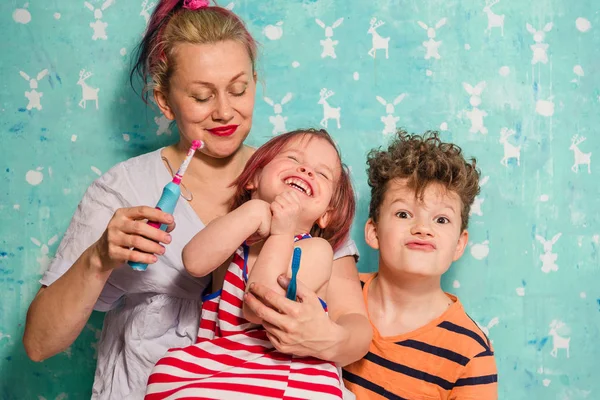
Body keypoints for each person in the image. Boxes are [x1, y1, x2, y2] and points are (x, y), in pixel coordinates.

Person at [22, 2, 371, 399]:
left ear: (255, 83)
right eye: (202, 96)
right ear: (165, 100)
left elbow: (355, 330)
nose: (225, 111)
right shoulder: (124, 188)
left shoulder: (295, 185)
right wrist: (98, 258)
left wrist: (323, 337)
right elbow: (38, 344)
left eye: (238, 90)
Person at [145, 129, 357, 399]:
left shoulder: (315, 249)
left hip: (286, 376)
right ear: (254, 178)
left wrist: (281, 233)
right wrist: (254, 211)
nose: (306, 170)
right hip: (222, 369)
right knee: (166, 370)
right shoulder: (233, 240)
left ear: (326, 214)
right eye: (293, 158)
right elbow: (194, 262)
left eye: (323, 173)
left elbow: (259, 307)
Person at [342, 130, 498, 399]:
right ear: (373, 232)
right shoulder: (340, 293)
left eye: (441, 220)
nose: (423, 228)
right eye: (404, 214)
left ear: (459, 244)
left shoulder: (470, 352)